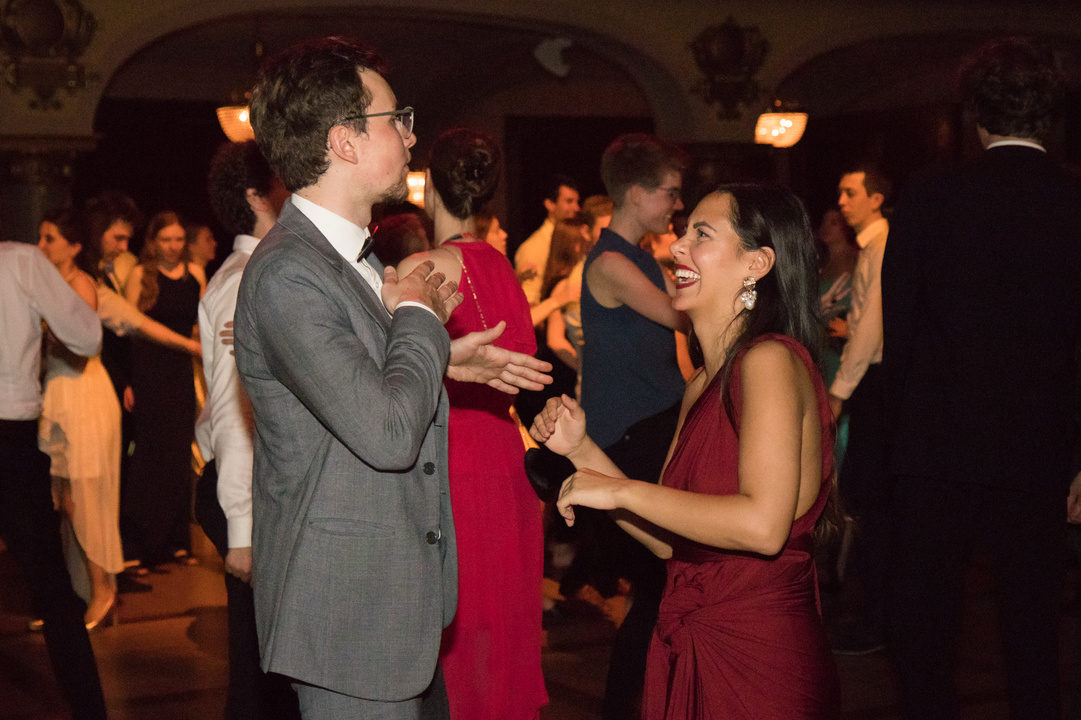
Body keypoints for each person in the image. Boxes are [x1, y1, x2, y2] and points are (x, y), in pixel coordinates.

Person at [235, 36, 551, 719]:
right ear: (344, 141)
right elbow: (386, 435)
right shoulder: (290, 272)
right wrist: (417, 314)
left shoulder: (354, 259)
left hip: (392, 600)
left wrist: (446, 358)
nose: (410, 135)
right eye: (394, 118)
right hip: (349, 613)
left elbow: (360, 383)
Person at [532, 184, 841, 720]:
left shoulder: (769, 361)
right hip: (691, 638)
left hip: (758, 657)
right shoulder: (701, 383)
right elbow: (668, 542)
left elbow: (763, 526)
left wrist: (623, 490)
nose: (677, 245)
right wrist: (581, 450)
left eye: (701, 234)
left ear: (757, 263)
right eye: (684, 232)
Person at [881, 38, 1081, 720]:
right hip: (1037, 445)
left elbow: (901, 331)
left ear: (975, 116)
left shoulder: (929, 196)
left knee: (925, 628)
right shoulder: (1073, 201)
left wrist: (893, 445)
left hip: (935, 444)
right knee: (1033, 628)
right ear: (1048, 115)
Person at [397, 127, 546, 720]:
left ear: (428, 186)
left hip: (450, 458)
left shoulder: (419, 268)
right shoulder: (503, 266)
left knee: (457, 629)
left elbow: (393, 372)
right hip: (506, 459)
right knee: (500, 622)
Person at [579, 133, 689, 719]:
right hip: (632, 436)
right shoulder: (614, 263)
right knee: (657, 587)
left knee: (663, 587)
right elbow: (680, 314)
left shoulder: (641, 256)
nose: (677, 203)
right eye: (670, 192)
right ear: (638, 193)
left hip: (654, 426)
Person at [193, 139, 299, 720]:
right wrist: (243, 528)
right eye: (284, 179)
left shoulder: (260, 271)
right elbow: (236, 411)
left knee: (268, 667)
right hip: (246, 491)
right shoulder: (243, 281)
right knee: (261, 671)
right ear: (258, 195)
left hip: (255, 488)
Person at [0, 240, 108, 720]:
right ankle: (89, 710)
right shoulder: (19, 261)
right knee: (51, 586)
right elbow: (86, 336)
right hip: (10, 436)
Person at [36, 209, 124, 630]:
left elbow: (81, 348)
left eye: (49, 238)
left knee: (84, 500)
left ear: (73, 247)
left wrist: (41, 326)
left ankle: (102, 592)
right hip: (59, 395)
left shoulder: (81, 285)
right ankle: (77, 595)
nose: (40, 246)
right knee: (60, 501)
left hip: (83, 396)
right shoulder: (48, 285)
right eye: (40, 237)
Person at [825, 163, 892, 654]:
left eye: (851, 193)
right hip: (871, 381)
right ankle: (871, 611)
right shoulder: (872, 245)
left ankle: (877, 617)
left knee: (872, 498)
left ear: (876, 198)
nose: (842, 201)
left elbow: (870, 327)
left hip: (876, 383)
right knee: (868, 497)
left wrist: (839, 391)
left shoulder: (882, 244)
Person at [122, 211, 205, 571]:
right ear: (153, 242)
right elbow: (128, 329)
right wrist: (128, 381)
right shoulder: (140, 275)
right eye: (166, 239)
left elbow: (200, 325)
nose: (173, 246)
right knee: (149, 456)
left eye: (178, 239)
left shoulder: (195, 274)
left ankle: (175, 541)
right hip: (149, 371)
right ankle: (139, 545)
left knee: (177, 455)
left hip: (181, 371)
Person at [514, 174, 580, 305]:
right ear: (550, 204)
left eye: (577, 202)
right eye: (569, 201)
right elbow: (529, 303)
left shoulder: (576, 239)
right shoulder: (534, 247)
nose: (576, 208)